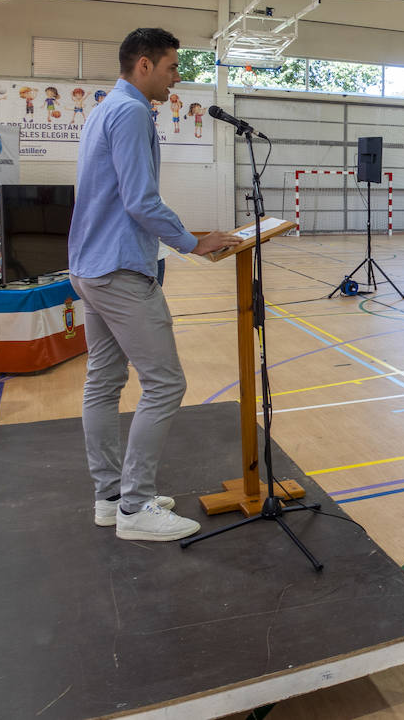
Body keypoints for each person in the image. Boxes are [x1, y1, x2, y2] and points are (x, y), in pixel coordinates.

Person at [68, 28, 241, 542]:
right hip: (120, 270)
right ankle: (136, 507)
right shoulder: (131, 113)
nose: (177, 77)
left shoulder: (103, 109)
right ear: (143, 65)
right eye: (171, 67)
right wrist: (194, 242)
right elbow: (140, 201)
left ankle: (111, 498)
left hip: (89, 266)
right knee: (165, 384)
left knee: (103, 381)